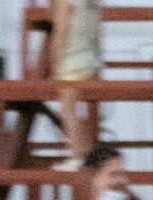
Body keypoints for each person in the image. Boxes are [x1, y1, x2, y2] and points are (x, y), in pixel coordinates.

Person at [51, 0, 102, 168]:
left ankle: (75, 157)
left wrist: (56, 64)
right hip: (91, 62)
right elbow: (97, 33)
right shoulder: (95, 3)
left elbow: (61, 31)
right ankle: (88, 155)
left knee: (69, 112)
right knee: (85, 115)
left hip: (71, 63)